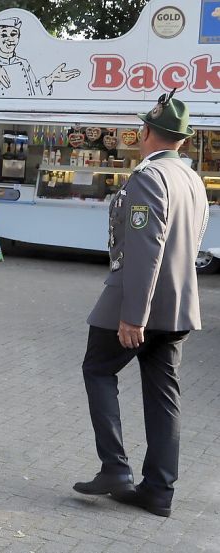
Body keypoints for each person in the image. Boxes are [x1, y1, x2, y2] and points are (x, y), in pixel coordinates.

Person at [72, 91, 208, 519]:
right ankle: (159, 491)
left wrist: (134, 314)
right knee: (164, 396)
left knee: (97, 368)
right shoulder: (192, 178)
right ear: (182, 141)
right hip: (180, 306)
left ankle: (114, 468)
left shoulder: (149, 177)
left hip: (136, 304)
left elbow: (146, 247)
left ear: (147, 132)